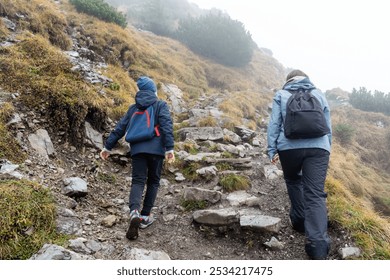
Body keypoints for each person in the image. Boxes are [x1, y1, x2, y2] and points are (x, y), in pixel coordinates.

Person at [267, 69, 332, 260]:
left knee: (293, 179)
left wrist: (272, 149)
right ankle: (317, 247)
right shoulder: (319, 94)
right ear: (306, 78)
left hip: (289, 148)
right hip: (319, 148)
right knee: (315, 194)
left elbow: (274, 124)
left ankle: (300, 220)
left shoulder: (281, 94)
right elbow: (327, 124)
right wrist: (326, 148)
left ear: (288, 81)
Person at [100, 76, 175, 240]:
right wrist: (169, 148)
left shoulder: (133, 108)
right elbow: (166, 126)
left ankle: (134, 211)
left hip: (137, 150)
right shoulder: (160, 104)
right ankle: (145, 216)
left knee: (138, 181)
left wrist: (107, 147)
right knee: (153, 181)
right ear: (154, 90)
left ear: (140, 91)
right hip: (156, 150)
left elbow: (120, 128)